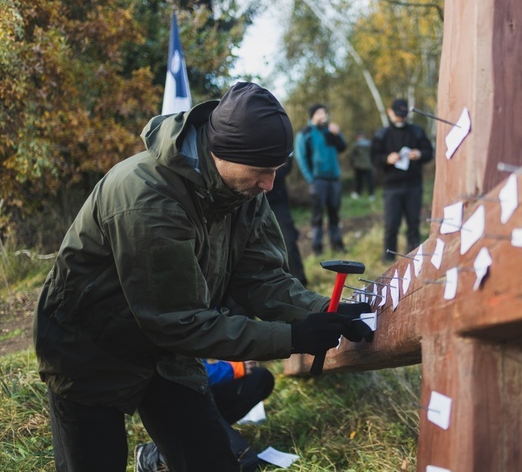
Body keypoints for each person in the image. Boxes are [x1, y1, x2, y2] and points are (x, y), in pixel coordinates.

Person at [33, 82, 372, 472]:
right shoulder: (147, 199)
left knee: (210, 460)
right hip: (89, 346)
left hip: (167, 352)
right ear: (220, 153)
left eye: (276, 170)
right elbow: (179, 323)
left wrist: (324, 311)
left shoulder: (244, 192)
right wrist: (293, 338)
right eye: (262, 171)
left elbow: (262, 277)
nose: (269, 185)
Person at [134, 359, 274, 472]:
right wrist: (231, 368)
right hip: (178, 398)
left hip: (200, 390)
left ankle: (198, 440)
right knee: (243, 459)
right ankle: (153, 456)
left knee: (260, 379)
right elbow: (189, 373)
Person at [371, 98, 434, 264]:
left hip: (414, 184)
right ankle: (388, 257)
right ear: (390, 112)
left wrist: (419, 154)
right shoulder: (381, 134)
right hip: (392, 186)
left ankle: (413, 256)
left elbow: (429, 151)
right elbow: (374, 158)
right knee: (391, 224)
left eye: (403, 115)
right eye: (398, 115)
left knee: (413, 222)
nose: (400, 118)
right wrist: (387, 158)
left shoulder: (417, 132)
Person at [294, 103, 347, 255]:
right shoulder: (305, 133)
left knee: (334, 213)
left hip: (334, 179)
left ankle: (337, 244)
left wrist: (337, 134)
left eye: (325, 112)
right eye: (320, 112)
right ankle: (317, 247)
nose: (324, 115)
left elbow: (343, 147)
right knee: (317, 215)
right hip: (318, 181)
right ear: (312, 115)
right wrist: (311, 179)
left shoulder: (329, 131)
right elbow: (301, 158)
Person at [265, 154, 308, 286]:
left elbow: (287, 164)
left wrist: (264, 178)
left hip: (277, 200)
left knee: (288, 241)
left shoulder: (279, 134)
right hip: (247, 199)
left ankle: (299, 282)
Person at [349, 132, 375, 200]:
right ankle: (371, 195)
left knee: (358, 181)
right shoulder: (370, 144)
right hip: (368, 165)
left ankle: (358, 194)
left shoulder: (356, 145)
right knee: (369, 181)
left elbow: (351, 155)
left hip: (358, 165)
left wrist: (352, 163)